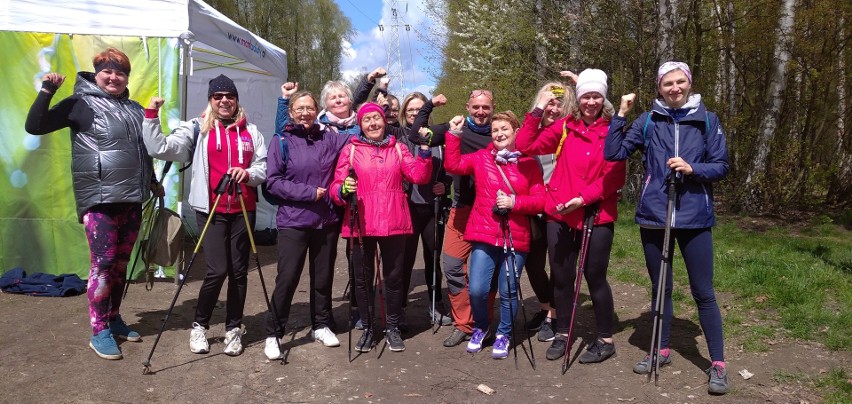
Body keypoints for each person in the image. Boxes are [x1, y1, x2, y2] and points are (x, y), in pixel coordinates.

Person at [604, 61, 730, 394]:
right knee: (661, 288)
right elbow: (613, 152)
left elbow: (721, 165)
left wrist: (692, 168)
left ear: (688, 83)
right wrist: (621, 113)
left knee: (703, 292)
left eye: (680, 82)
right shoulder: (647, 121)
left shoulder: (707, 120)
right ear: (658, 88)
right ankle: (660, 350)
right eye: (667, 84)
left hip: (694, 217)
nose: (674, 88)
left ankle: (717, 364)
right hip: (655, 215)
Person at [25, 47, 155, 360]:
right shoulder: (80, 104)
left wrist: (152, 182)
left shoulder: (136, 109)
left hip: (132, 199)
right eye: (108, 71)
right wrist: (46, 91)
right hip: (99, 200)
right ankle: (99, 330)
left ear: (127, 78)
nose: (114, 77)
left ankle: (114, 318)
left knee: (123, 263)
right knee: (104, 264)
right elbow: (36, 125)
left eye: (121, 72)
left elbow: (143, 150)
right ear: (96, 73)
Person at [143, 74, 267, 357]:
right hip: (210, 209)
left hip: (242, 210)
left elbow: (263, 167)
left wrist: (247, 174)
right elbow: (159, 148)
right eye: (218, 96)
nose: (225, 101)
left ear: (237, 100)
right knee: (217, 270)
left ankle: (233, 328)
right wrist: (151, 115)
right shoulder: (197, 128)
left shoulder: (251, 131)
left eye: (230, 96)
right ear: (211, 100)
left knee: (239, 273)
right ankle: (199, 325)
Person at [517, 69, 626, 364]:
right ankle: (563, 332)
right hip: (560, 215)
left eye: (596, 96)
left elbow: (614, 176)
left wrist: (583, 199)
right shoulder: (565, 127)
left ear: (603, 99)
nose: (591, 102)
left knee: (595, 277)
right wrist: (539, 107)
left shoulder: (613, 129)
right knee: (562, 277)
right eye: (586, 96)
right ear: (578, 100)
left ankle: (605, 339)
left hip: (597, 214)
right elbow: (524, 145)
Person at [330, 103, 432, 353]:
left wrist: (426, 150)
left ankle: (393, 326)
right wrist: (343, 190)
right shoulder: (351, 150)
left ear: (384, 121)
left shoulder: (397, 148)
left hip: (394, 221)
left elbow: (419, 176)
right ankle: (367, 328)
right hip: (361, 222)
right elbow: (336, 185)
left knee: (394, 279)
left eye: (377, 118)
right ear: (361, 124)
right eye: (367, 120)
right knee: (363, 280)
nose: (373, 123)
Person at [443, 111, 545, 359]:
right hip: (484, 233)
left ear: (516, 133)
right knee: (477, 289)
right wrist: (454, 135)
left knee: (509, 290)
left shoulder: (529, 163)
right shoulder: (481, 158)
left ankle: (504, 333)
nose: (499, 134)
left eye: (505, 130)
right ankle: (480, 328)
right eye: (495, 130)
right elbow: (453, 165)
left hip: (516, 236)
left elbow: (540, 201)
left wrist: (514, 202)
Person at [261, 86, 352, 360]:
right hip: (293, 221)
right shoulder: (281, 140)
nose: (305, 113)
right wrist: (308, 193)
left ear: (318, 112)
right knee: (287, 279)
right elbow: (273, 182)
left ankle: (321, 324)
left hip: (326, 220)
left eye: (310, 108)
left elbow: (357, 137)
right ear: (291, 112)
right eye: (299, 108)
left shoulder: (330, 138)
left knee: (322, 278)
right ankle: (274, 333)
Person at [410, 89, 498, 347]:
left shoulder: (500, 132)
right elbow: (417, 134)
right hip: (462, 210)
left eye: (486, 107)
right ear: (468, 107)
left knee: (487, 273)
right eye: (476, 107)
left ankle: (484, 324)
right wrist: (428, 105)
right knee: (452, 265)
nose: (481, 112)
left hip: (492, 211)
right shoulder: (454, 129)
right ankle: (463, 323)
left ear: (492, 108)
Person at [520, 80, 576, 342]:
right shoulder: (529, 129)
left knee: (558, 264)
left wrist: (582, 83)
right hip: (532, 207)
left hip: (560, 208)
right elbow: (520, 147)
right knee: (533, 263)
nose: (554, 108)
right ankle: (545, 307)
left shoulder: (571, 130)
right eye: (549, 102)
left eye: (559, 103)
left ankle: (556, 314)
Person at [393, 92, 453, 327]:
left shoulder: (438, 137)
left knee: (433, 256)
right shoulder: (401, 137)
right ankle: (399, 308)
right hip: (407, 206)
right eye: (410, 110)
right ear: (404, 114)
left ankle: (435, 303)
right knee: (404, 259)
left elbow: (450, 167)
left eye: (420, 110)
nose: (415, 114)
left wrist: (444, 184)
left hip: (433, 208)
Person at [275, 67, 387, 136]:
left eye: (341, 96)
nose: (338, 100)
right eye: (333, 98)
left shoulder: (361, 123)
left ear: (349, 100)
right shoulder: (318, 126)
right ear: (325, 104)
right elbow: (284, 132)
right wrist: (285, 98)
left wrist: (370, 79)